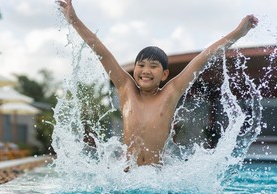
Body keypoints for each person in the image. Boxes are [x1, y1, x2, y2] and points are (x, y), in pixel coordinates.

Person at [57, 0, 258, 167]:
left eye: (153, 66)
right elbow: (100, 50)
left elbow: (203, 58)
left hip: (156, 178)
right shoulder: (126, 89)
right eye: (141, 65)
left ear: (164, 74)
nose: (145, 71)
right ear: (134, 69)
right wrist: (73, 20)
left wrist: (238, 33)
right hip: (127, 175)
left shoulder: (170, 93)